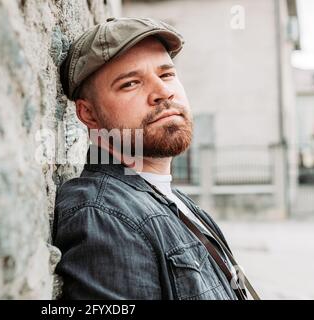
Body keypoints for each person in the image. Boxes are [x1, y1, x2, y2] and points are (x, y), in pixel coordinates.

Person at [52, 17, 258, 300]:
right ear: (89, 114)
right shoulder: (104, 214)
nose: (163, 92)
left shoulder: (180, 203)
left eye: (166, 74)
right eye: (131, 83)